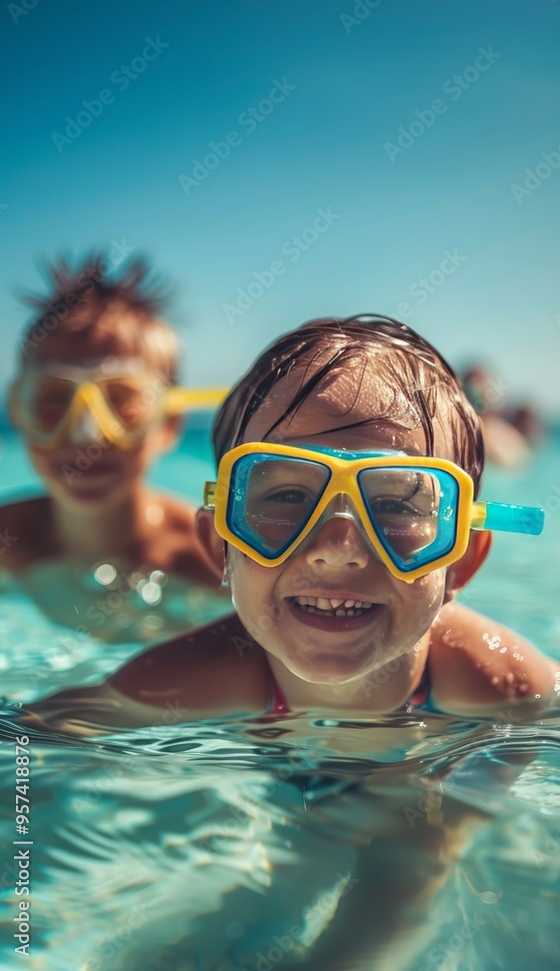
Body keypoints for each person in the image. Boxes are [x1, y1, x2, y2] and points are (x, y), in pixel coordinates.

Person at [25, 315, 559, 728]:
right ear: (219, 547)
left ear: (461, 559)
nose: (338, 548)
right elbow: (31, 741)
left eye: (395, 506)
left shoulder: (505, 683)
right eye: (286, 496)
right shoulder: (179, 683)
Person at [1, 253, 229, 645]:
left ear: (168, 424)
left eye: (122, 404)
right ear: (21, 415)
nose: (87, 436)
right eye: (53, 402)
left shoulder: (212, 564)